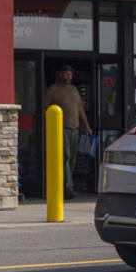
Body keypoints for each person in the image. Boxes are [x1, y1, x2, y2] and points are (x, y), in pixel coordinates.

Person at [44, 64, 92, 200]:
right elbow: (46, 108)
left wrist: (86, 125)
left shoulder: (74, 90)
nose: (68, 76)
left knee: (72, 159)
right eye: (66, 73)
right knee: (65, 156)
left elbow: (80, 109)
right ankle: (68, 187)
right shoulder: (52, 89)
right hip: (61, 129)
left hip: (74, 128)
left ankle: (65, 184)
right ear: (60, 74)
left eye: (70, 74)